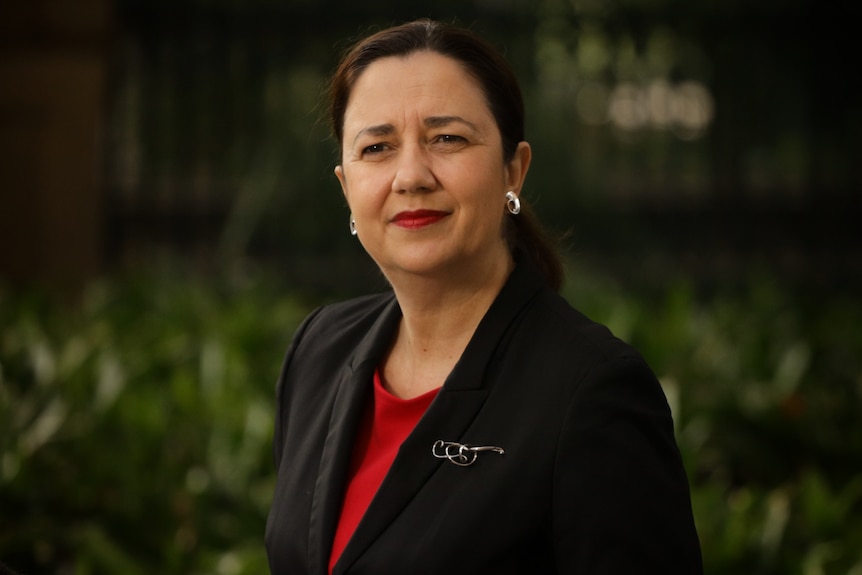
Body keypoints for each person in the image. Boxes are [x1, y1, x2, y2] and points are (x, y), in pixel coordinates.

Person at [265, 18, 702, 575]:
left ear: (513, 170)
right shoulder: (318, 350)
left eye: (447, 138)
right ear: (346, 188)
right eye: (377, 147)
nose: (410, 175)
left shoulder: (590, 391)